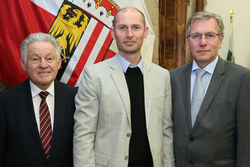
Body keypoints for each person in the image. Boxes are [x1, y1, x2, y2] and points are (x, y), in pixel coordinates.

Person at [73, 7, 174, 167]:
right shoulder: (94, 75)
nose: (129, 34)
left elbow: (166, 131)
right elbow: (83, 134)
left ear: (145, 32)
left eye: (136, 27)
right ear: (113, 32)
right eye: (122, 28)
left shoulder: (162, 76)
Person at [170, 11, 250, 167]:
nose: (202, 42)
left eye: (210, 35)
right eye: (196, 36)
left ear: (220, 40)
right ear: (188, 41)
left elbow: (246, 142)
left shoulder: (241, 78)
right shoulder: (172, 77)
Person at [0, 32, 77, 167]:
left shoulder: (77, 98)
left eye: (49, 58)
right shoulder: (5, 102)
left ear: (59, 63)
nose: (43, 65)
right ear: (23, 64)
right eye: (35, 59)